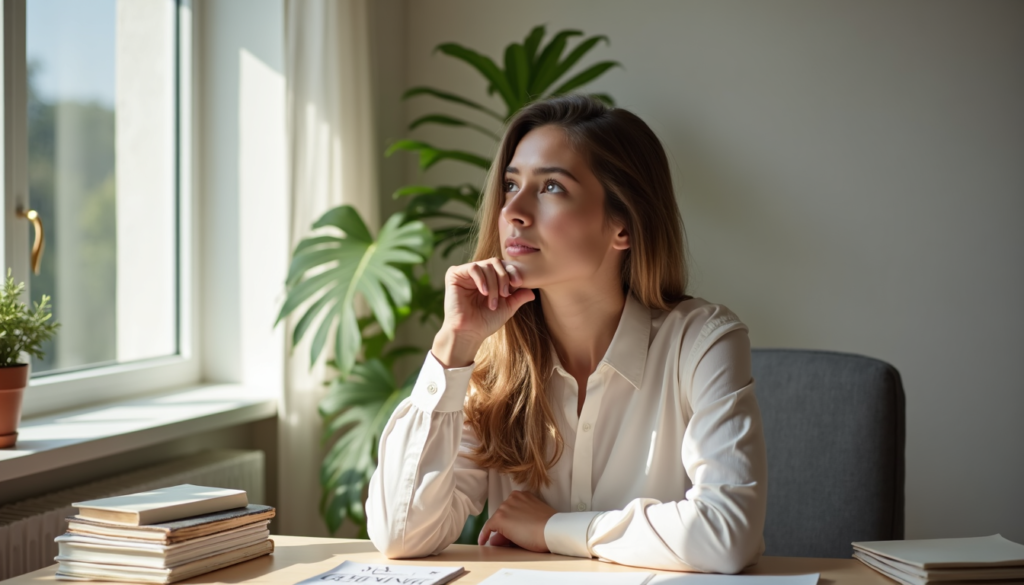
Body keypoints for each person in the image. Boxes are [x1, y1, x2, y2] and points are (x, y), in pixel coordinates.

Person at [365, 94, 767, 574]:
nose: (513, 210)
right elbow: (402, 536)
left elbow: (726, 534)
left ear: (622, 226)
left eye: (551, 186)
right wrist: (454, 345)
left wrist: (553, 528)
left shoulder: (701, 344)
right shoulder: (491, 362)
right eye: (511, 185)